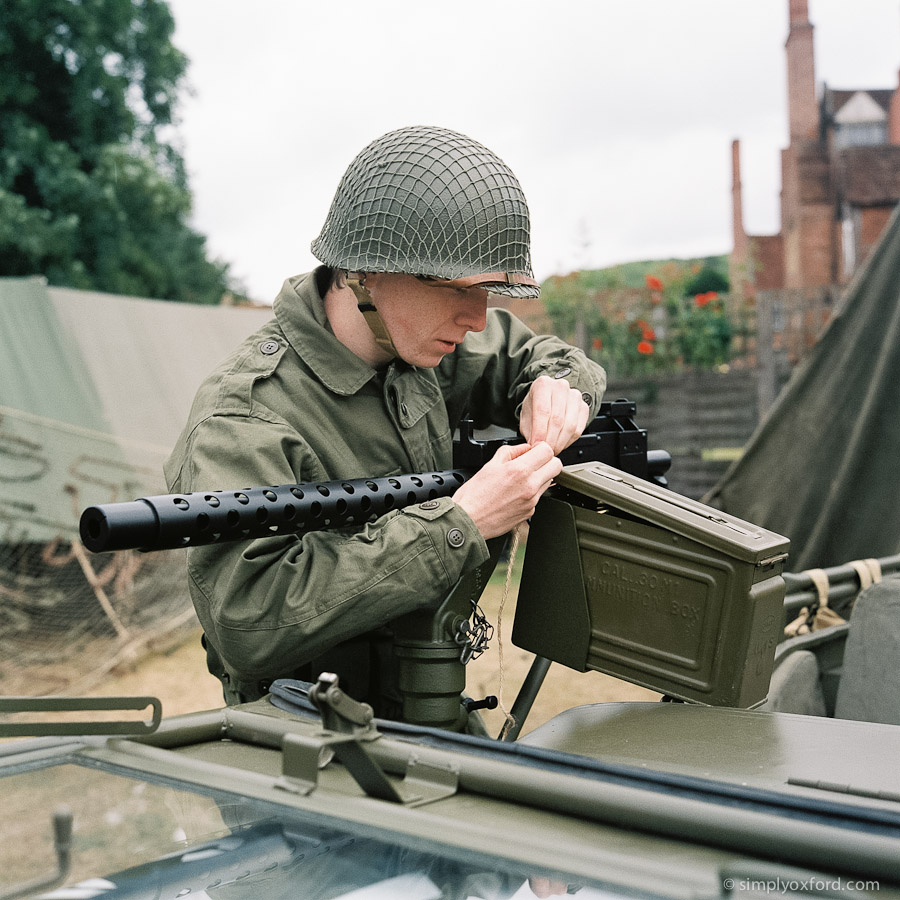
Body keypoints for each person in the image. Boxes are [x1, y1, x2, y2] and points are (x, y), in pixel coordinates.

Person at [164, 125, 607, 720]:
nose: (478, 318)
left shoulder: (420, 348)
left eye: (490, 292)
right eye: (457, 288)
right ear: (367, 272)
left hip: (431, 701)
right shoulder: (246, 415)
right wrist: (461, 522)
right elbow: (247, 623)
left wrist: (559, 388)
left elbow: (541, 357)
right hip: (304, 745)